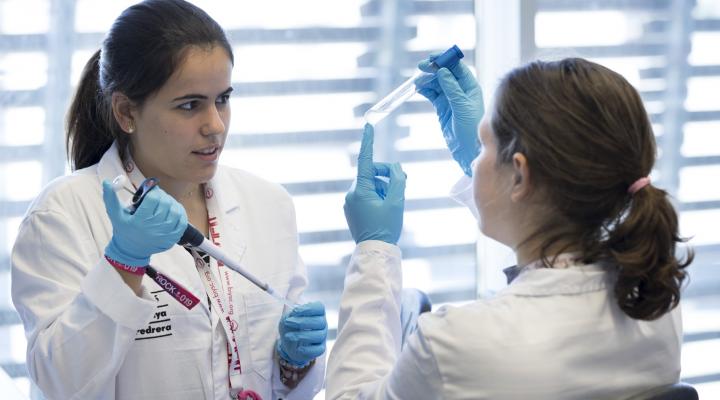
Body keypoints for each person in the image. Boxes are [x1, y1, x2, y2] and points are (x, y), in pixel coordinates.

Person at [326, 56, 693, 399]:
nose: (477, 160)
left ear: (519, 174)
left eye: (484, 145)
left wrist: (373, 250)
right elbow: (547, 264)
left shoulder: (453, 343)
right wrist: (481, 163)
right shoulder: (655, 302)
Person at [10, 1, 326, 399]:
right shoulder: (62, 214)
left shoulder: (268, 204)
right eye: (190, 105)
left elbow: (279, 379)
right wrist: (124, 264)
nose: (215, 126)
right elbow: (60, 382)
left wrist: (294, 363)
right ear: (126, 112)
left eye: (222, 99)